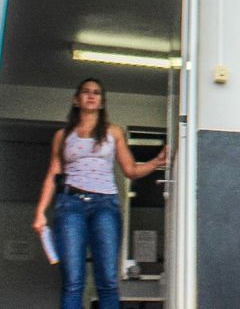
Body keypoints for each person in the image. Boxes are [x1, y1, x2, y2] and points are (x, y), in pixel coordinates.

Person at [32, 78, 168, 309]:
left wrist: (158, 161)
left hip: (105, 205)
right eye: (86, 92)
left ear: (102, 102)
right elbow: (53, 174)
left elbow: (131, 170)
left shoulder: (113, 132)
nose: (91, 96)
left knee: (107, 280)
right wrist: (40, 213)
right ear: (77, 99)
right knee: (73, 281)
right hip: (70, 204)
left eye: (96, 93)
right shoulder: (63, 135)